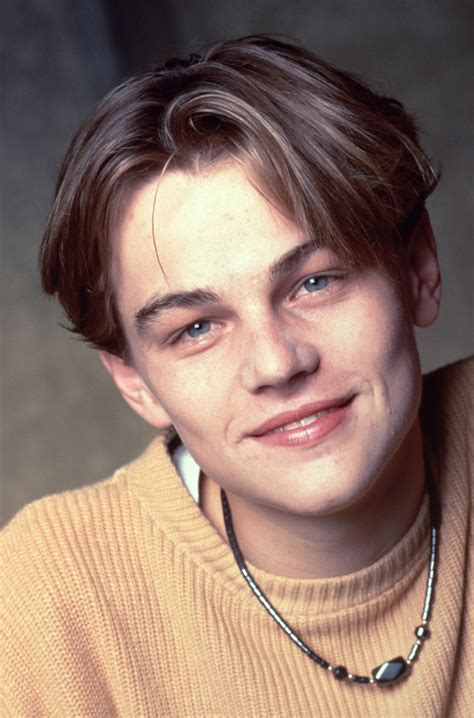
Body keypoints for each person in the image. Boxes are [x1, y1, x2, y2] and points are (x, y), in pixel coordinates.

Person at [1, 35, 471, 717]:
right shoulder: (44, 600)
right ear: (134, 380)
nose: (278, 363)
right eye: (195, 328)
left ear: (419, 269)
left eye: (315, 281)